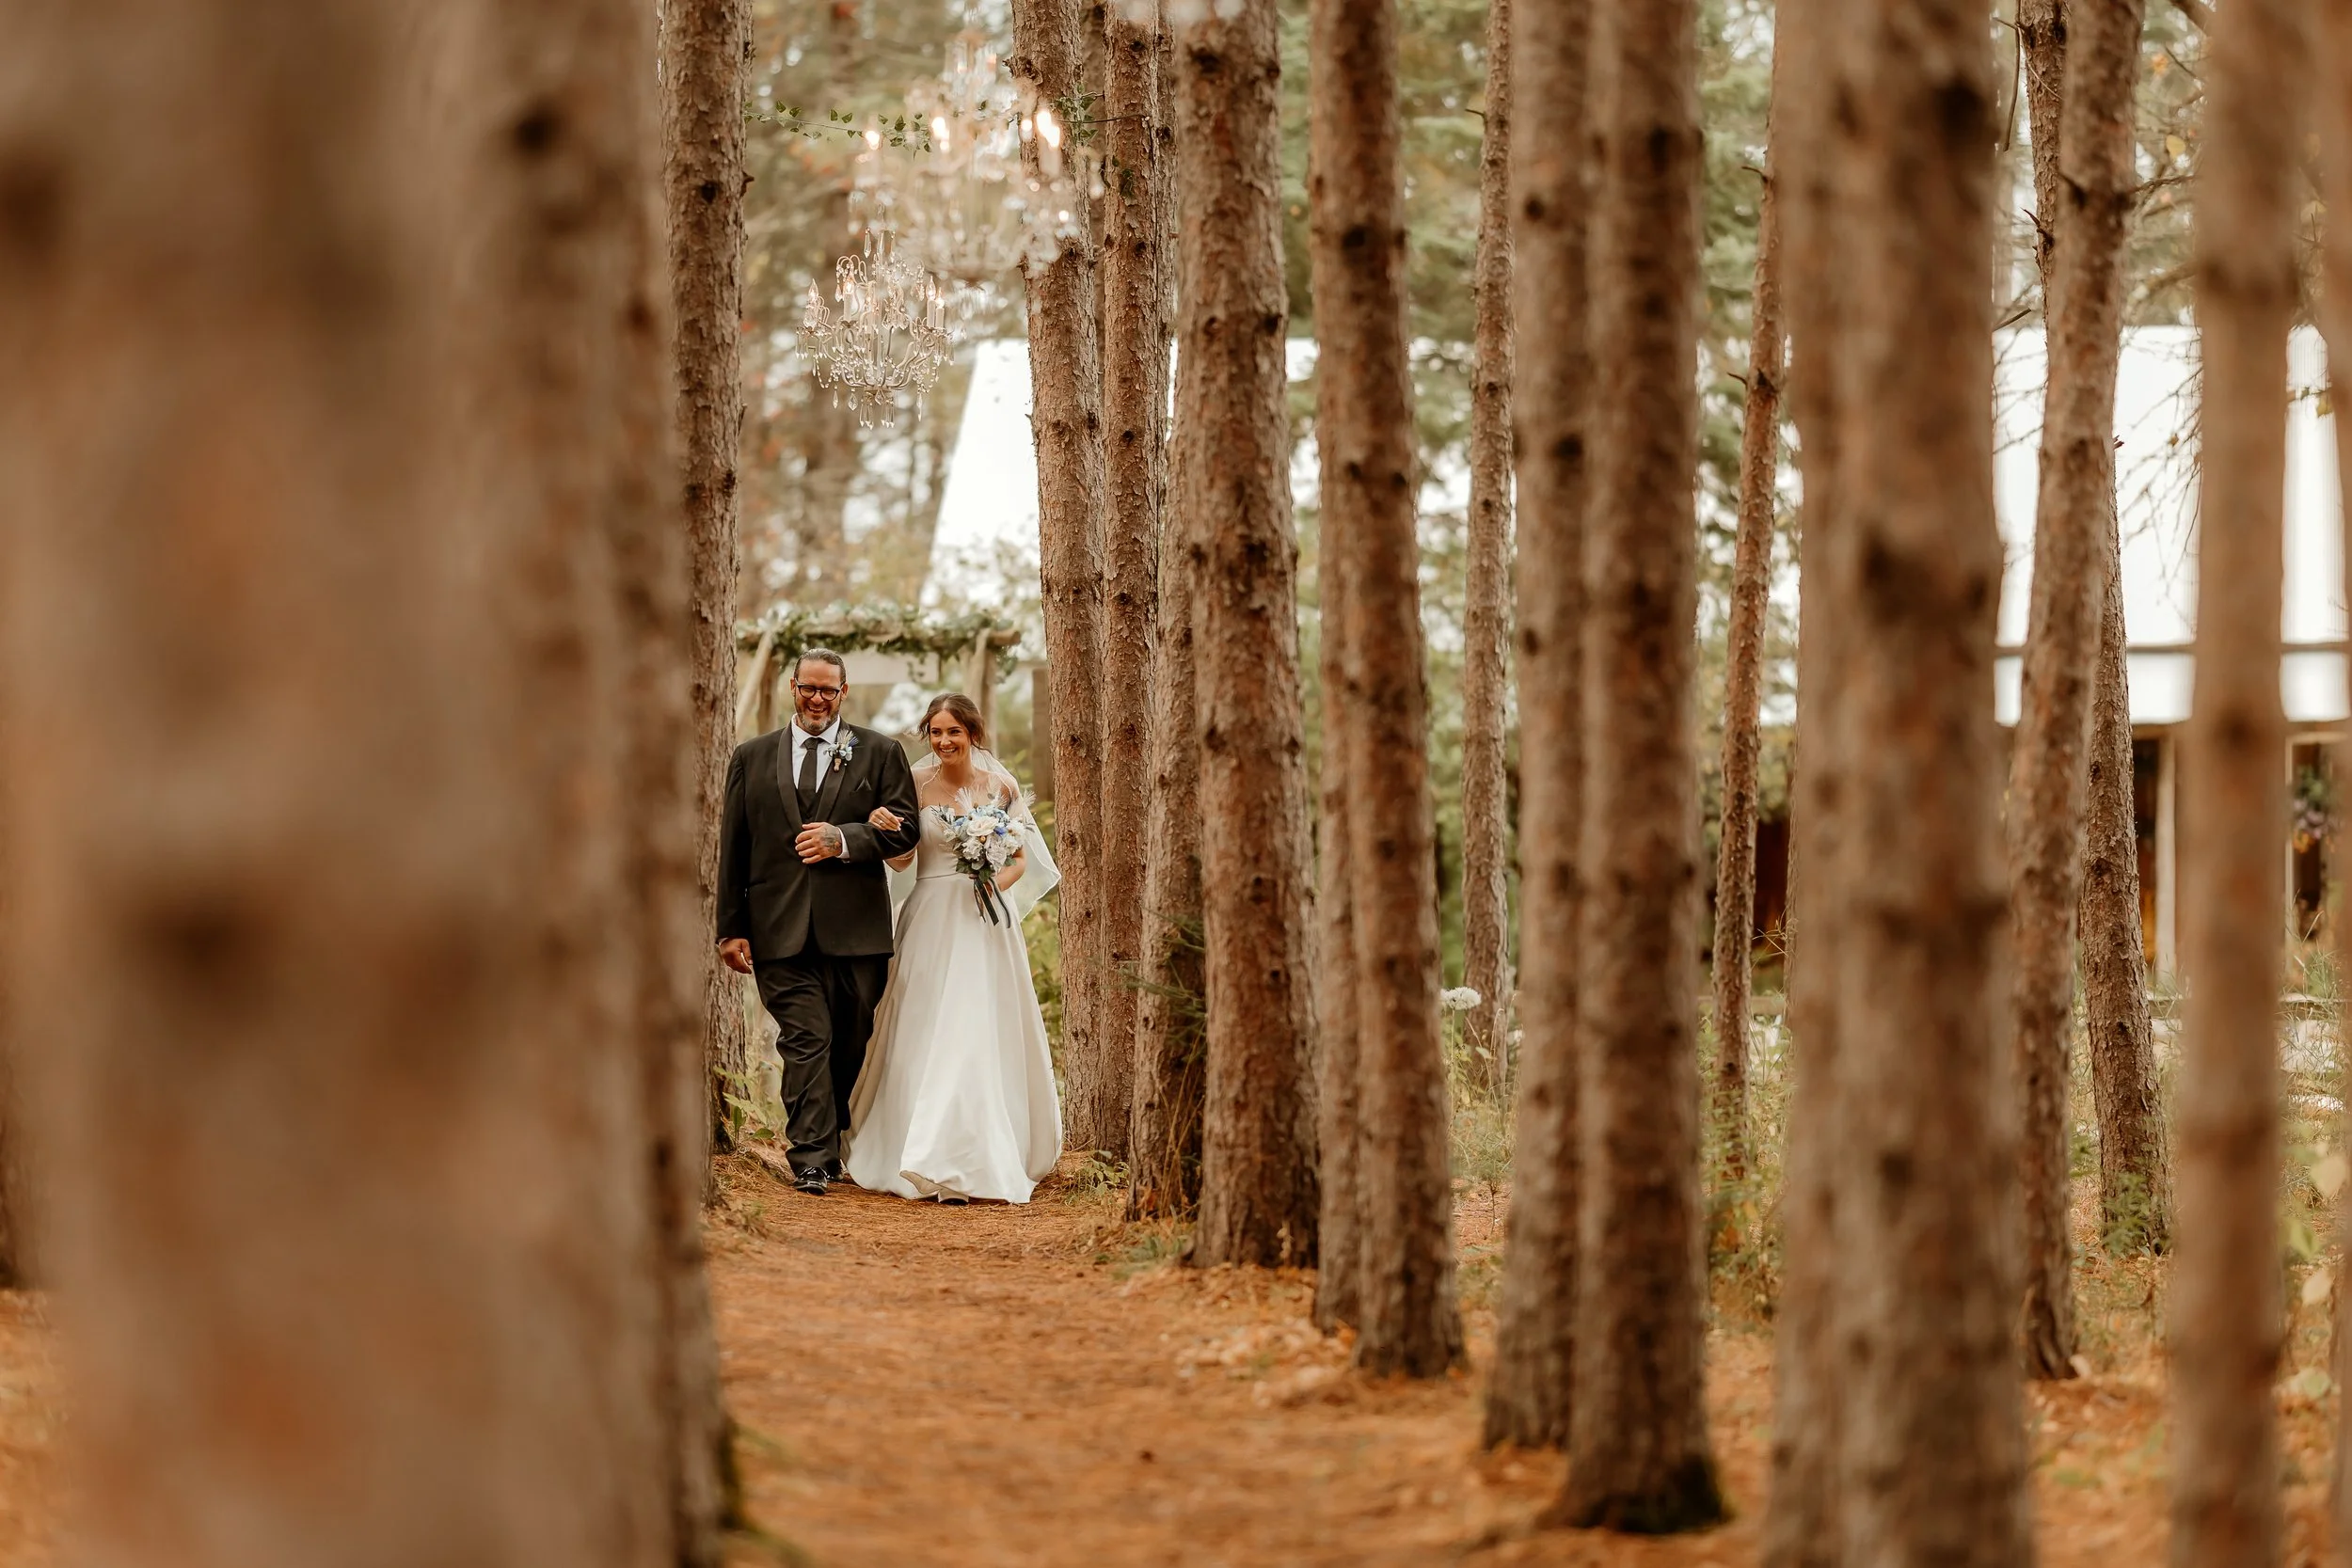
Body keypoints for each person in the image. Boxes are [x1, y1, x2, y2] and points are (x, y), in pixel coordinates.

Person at [716, 648, 921, 1196]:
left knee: (851, 1040)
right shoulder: (751, 757)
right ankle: (811, 1156)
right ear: (792, 686)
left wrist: (847, 839)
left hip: (856, 932)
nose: (818, 699)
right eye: (809, 687)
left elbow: (905, 833)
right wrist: (729, 927)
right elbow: (733, 848)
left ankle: (837, 1139)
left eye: (829, 691)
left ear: (844, 692)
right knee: (806, 1038)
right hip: (776, 928)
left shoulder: (879, 753)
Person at [845, 693, 1062, 1204]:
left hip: (985, 920)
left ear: (973, 736)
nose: (943, 742)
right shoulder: (914, 785)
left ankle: (973, 1152)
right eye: (936, 732)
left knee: (976, 1025)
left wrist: (994, 881)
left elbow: (1019, 860)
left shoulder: (1001, 786)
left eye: (953, 733)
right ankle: (915, 1148)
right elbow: (902, 864)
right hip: (931, 915)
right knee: (923, 1022)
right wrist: (884, 831)